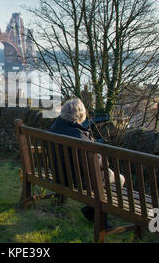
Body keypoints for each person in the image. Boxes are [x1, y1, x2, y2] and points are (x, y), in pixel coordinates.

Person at [49, 98, 125, 230]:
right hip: (76, 181)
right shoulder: (80, 137)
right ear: (81, 115)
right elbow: (97, 164)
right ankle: (97, 216)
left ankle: (91, 211)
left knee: (105, 178)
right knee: (119, 178)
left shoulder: (54, 128)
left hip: (59, 176)